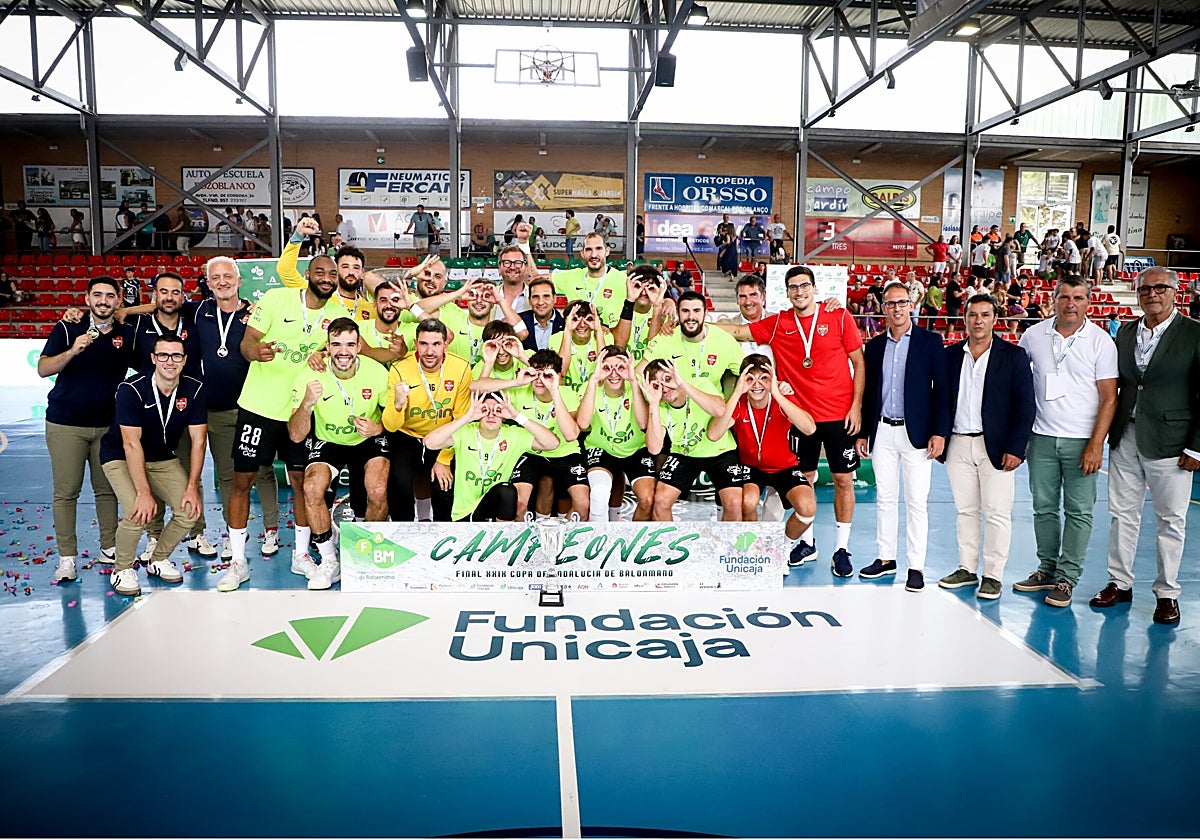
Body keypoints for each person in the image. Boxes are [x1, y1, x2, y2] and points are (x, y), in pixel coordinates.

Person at [714, 265, 866, 577]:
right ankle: (807, 544)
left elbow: (858, 362)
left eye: (804, 285)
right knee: (805, 479)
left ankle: (841, 548)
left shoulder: (838, 316)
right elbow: (739, 332)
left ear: (815, 288)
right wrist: (691, 321)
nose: (799, 291)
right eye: (793, 287)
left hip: (839, 414)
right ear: (786, 293)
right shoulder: (779, 323)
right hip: (800, 416)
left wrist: (857, 406)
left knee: (843, 481)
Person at [220, 253, 350, 592]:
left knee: (301, 482)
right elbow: (247, 342)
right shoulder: (277, 298)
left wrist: (323, 353)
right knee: (242, 481)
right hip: (259, 406)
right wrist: (255, 352)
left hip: (300, 409)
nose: (326, 278)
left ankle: (302, 555)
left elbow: (345, 349)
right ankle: (237, 562)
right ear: (308, 274)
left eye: (332, 273)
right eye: (320, 272)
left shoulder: (338, 312)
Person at [1090, 267, 1200, 625]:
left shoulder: (1194, 333)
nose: (1152, 294)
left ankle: (1167, 593)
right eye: (1145, 289)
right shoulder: (1125, 332)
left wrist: (1196, 447)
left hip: (1172, 442)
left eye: (1160, 288)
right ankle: (1119, 583)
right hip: (1126, 436)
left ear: (1175, 292)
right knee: (1122, 514)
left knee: (1171, 520)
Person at [1007, 276, 1118, 607]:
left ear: (1088, 303)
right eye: (1065, 297)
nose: (1071, 304)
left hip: (1082, 441)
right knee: (1043, 508)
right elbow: (1018, 384)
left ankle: (1067, 578)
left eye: (1078, 298)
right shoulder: (1033, 335)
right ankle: (1046, 569)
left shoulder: (1101, 342)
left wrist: (1096, 444)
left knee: (1079, 511)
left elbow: (1109, 398)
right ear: (1053, 300)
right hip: (1041, 438)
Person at [938, 294, 1036, 596]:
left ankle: (992, 575)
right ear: (964, 319)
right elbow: (940, 400)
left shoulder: (1014, 356)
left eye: (984, 315)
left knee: (997, 512)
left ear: (995, 319)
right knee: (966, 511)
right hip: (958, 444)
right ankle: (967, 568)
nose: (978, 320)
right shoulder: (951, 356)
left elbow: (1025, 405)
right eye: (973, 315)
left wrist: (1016, 448)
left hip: (996, 446)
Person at [856, 282, 950, 592]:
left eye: (901, 302)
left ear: (911, 304)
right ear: (882, 308)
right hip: (883, 430)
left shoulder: (930, 342)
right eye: (890, 303)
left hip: (917, 433)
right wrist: (864, 432)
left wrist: (939, 432)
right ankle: (886, 558)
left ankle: (916, 566)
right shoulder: (874, 346)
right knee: (885, 498)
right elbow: (869, 393)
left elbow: (943, 392)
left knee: (916, 502)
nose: (896, 308)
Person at [39, 276, 131, 582]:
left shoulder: (126, 332)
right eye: (97, 295)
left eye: (110, 296)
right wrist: (71, 352)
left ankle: (109, 548)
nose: (103, 301)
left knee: (107, 490)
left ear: (118, 300)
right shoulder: (68, 327)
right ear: (87, 299)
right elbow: (43, 369)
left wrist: (129, 312)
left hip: (108, 425)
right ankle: (67, 558)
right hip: (66, 424)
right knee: (66, 492)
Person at [287, 318, 391, 589]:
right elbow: (296, 435)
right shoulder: (309, 375)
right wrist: (306, 404)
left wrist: (378, 427)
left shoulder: (377, 372)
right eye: (336, 345)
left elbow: (393, 419)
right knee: (311, 488)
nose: (343, 351)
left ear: (359, 346)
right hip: (329, 440)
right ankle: (329, 561)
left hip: (367, 438)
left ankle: (364, 555)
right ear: (328, 347)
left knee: (378, 489)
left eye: (349, 344)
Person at [98, 335, 205, 596]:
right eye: (164, 355)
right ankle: (122, 569)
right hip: (120, 455)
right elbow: (131, 445)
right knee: (138, 510)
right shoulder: (131, 389)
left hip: (161, 457)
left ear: (184, 360)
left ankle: (158, 559)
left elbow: (199, 440)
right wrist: (144, 492)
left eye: (176, 356)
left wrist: (192, 487)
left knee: (189, 511)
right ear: (154, 359)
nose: (170, 361)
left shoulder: (194, 389)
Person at [708, 356, 817, 562]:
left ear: (772, 379)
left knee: (807, 508)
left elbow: (810, 428)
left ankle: (782, 549)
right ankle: (753, 552)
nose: (757, 385)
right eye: (750, 379)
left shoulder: (781, 399)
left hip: (784, 467)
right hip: (752, 467)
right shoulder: (739, 403)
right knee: (748, 502)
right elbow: (714, 434)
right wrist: (737, 392)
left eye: (763, 378)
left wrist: (776, 393)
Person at [382, 318, 472, 522]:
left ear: (445, 345)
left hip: (443, 436)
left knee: (445, 485)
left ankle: (442, 534)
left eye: (436, 344)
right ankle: (403, 534)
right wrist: (398, 404)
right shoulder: (400, 369)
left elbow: (461, 419)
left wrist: (444, 459)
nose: (429, 351)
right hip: (407, 435)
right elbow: (390, 426)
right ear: (416, 344)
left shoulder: (461, 368)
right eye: (423, 344)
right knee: (399, 485)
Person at [423, 392, 560, 522]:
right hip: (464, 513)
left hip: (495, 506)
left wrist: (516, 416)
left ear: (504, 416)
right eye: (485, 410)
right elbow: (430, 442)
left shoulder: (514, 434)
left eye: (497, 410)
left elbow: (552, 443)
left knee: (507, 491)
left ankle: (503, 536)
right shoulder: (466, 431)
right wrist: (467, 417)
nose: (491, 415)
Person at [643, 358, 745, 521]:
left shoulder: (699, 383)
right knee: (660, 502)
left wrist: (682, 384)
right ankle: (670, 539)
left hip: (720, 451)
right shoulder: (659, 406)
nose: (665, 388)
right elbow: (654, 449)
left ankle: (725, 539)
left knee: (734, 504)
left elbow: (720, 411)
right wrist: (653, 404)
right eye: (657, 386)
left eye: (667, 379)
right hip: (684, 454)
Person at [505, 350, 588, 520]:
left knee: (582, 505)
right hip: (532, 453)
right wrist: (516, 382)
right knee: (518, 504)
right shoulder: (520, 391)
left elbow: (571, 435)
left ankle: (559, 533)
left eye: (547, 375)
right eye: (536, 374)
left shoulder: (567, 393)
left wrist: (555, 390)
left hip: (565, 452)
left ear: (557, 376)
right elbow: (476, 386)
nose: (540, 380)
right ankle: (531, 535)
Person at [576, 346, 656, 522]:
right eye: (607, 367)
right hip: (601, 448)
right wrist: (593, 380)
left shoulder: (638, 384)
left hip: (636, 449)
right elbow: (582, 423)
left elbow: (643, 423)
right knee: (599, 495)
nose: (613, 373)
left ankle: (631, 536)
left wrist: (633, 381)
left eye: (620, 367)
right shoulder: (590, 386)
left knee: (647, 500)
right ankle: (599, 538)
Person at [644, 290, 742, 390]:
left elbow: (747, 373)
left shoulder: (725, 341)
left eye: (696, 311)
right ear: (678, 313)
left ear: (705, 313)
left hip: (711, 399)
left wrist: (735, 395)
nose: (691, 317)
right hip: (675, 399)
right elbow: (640, 373)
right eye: (685, 311)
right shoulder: (665, 338)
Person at [551, 231, 630, 330]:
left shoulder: (624, 280)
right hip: (578, 337)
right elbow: (535, 279)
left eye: (598, 249)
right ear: (582, 253)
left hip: (610, 338)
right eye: (589, 250)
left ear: (607, 251)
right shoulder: (572, 276)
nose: (593, 255)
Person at [613, 265, 674, 363]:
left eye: (650, 288)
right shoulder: (616, 307)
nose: (644, 292)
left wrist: (657, 306)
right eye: (638, 286)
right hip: (619, 368)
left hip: (647, 370)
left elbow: (653, 351)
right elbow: (619, 345)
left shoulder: (664, 313)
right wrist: (630, 300)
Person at [520, 278, 564, 352]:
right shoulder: (520, 321)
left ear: (554, 298)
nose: (540, 302)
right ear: (529, 300)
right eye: (535, 297)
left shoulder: (565, 323)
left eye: (546, 296)